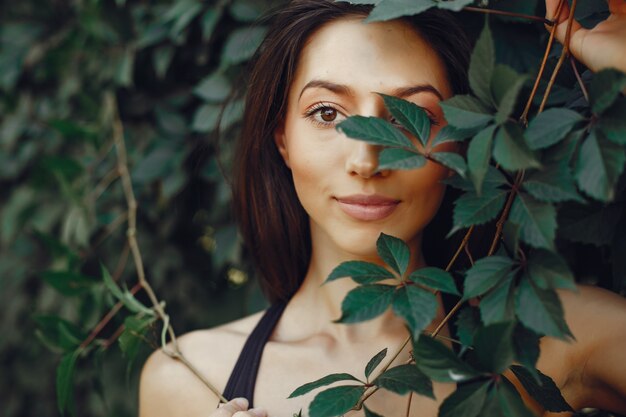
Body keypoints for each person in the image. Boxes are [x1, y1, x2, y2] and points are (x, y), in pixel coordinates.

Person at [139, 1, 626, 416]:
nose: (367, 160)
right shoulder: (189, 379)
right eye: (327, 113)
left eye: (411, 117)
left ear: (458, 145)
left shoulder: (555, 336)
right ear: (282, 138)